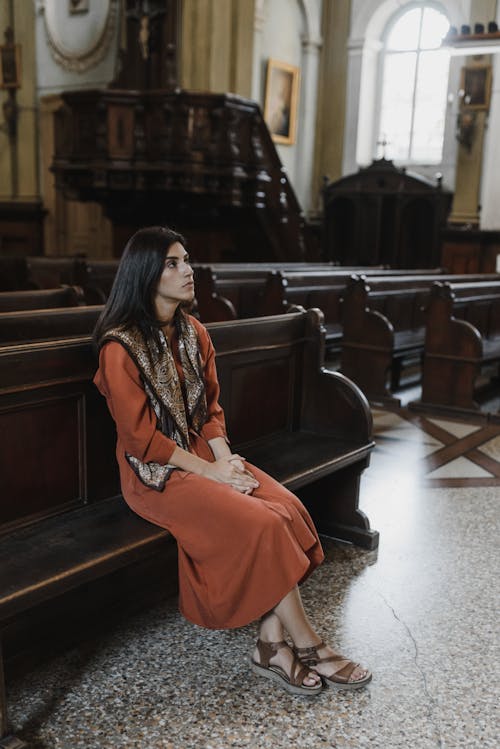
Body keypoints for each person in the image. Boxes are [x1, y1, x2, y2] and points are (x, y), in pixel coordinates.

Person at [93, 226, 372, 696]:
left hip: (205, 457)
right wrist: (212, 474)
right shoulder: (119, 349)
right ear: (145, 274)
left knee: (284, 507)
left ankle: (269, 643)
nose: (188, 272)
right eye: (174, 263)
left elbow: (211, 411)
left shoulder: (194, 332)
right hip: (154, 476)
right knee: (259, 525)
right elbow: (141, 440)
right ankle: (309, 645)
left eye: (187, 260)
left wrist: (228, 464)